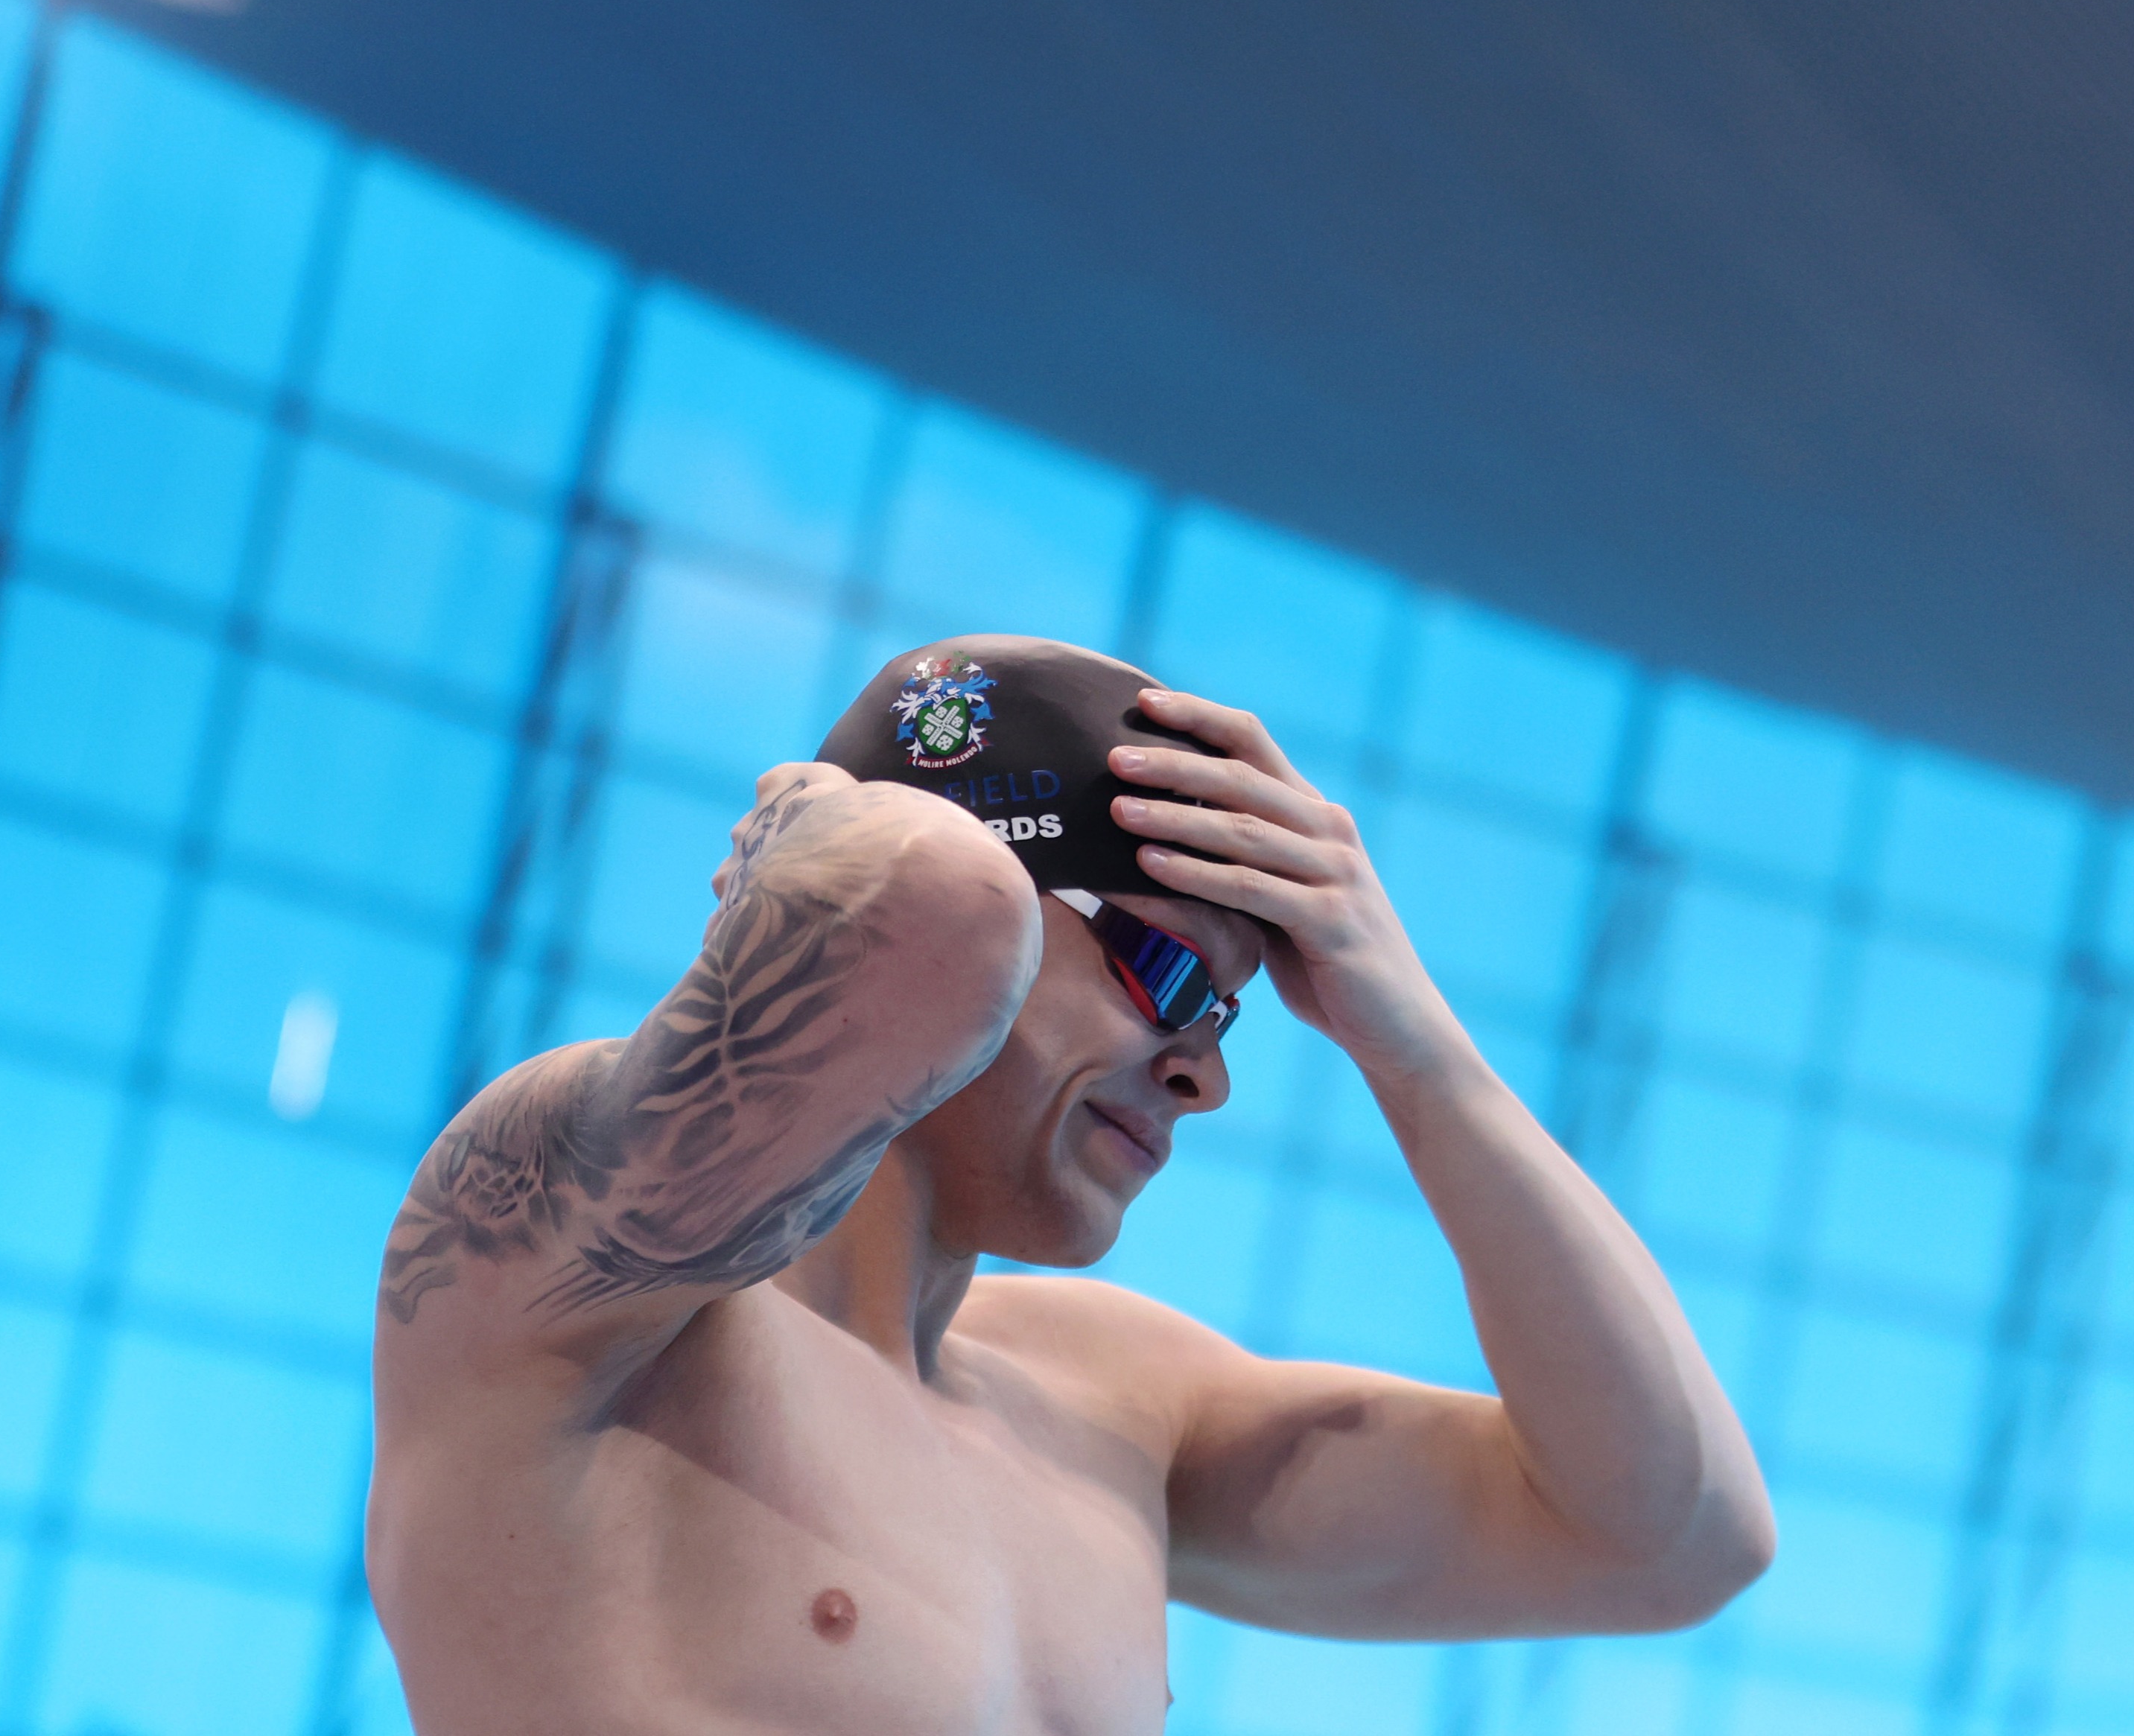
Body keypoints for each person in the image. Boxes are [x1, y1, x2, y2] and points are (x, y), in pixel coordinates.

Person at [364, 636, 1773, 1733]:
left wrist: (1415, 1048)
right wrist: (844, 856)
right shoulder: (576, 1285)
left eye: (1227, 1020)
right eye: (1166, 972)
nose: (1202, 1075)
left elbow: (1674, 1536)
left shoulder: (1117, 1405)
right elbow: (933, 905)